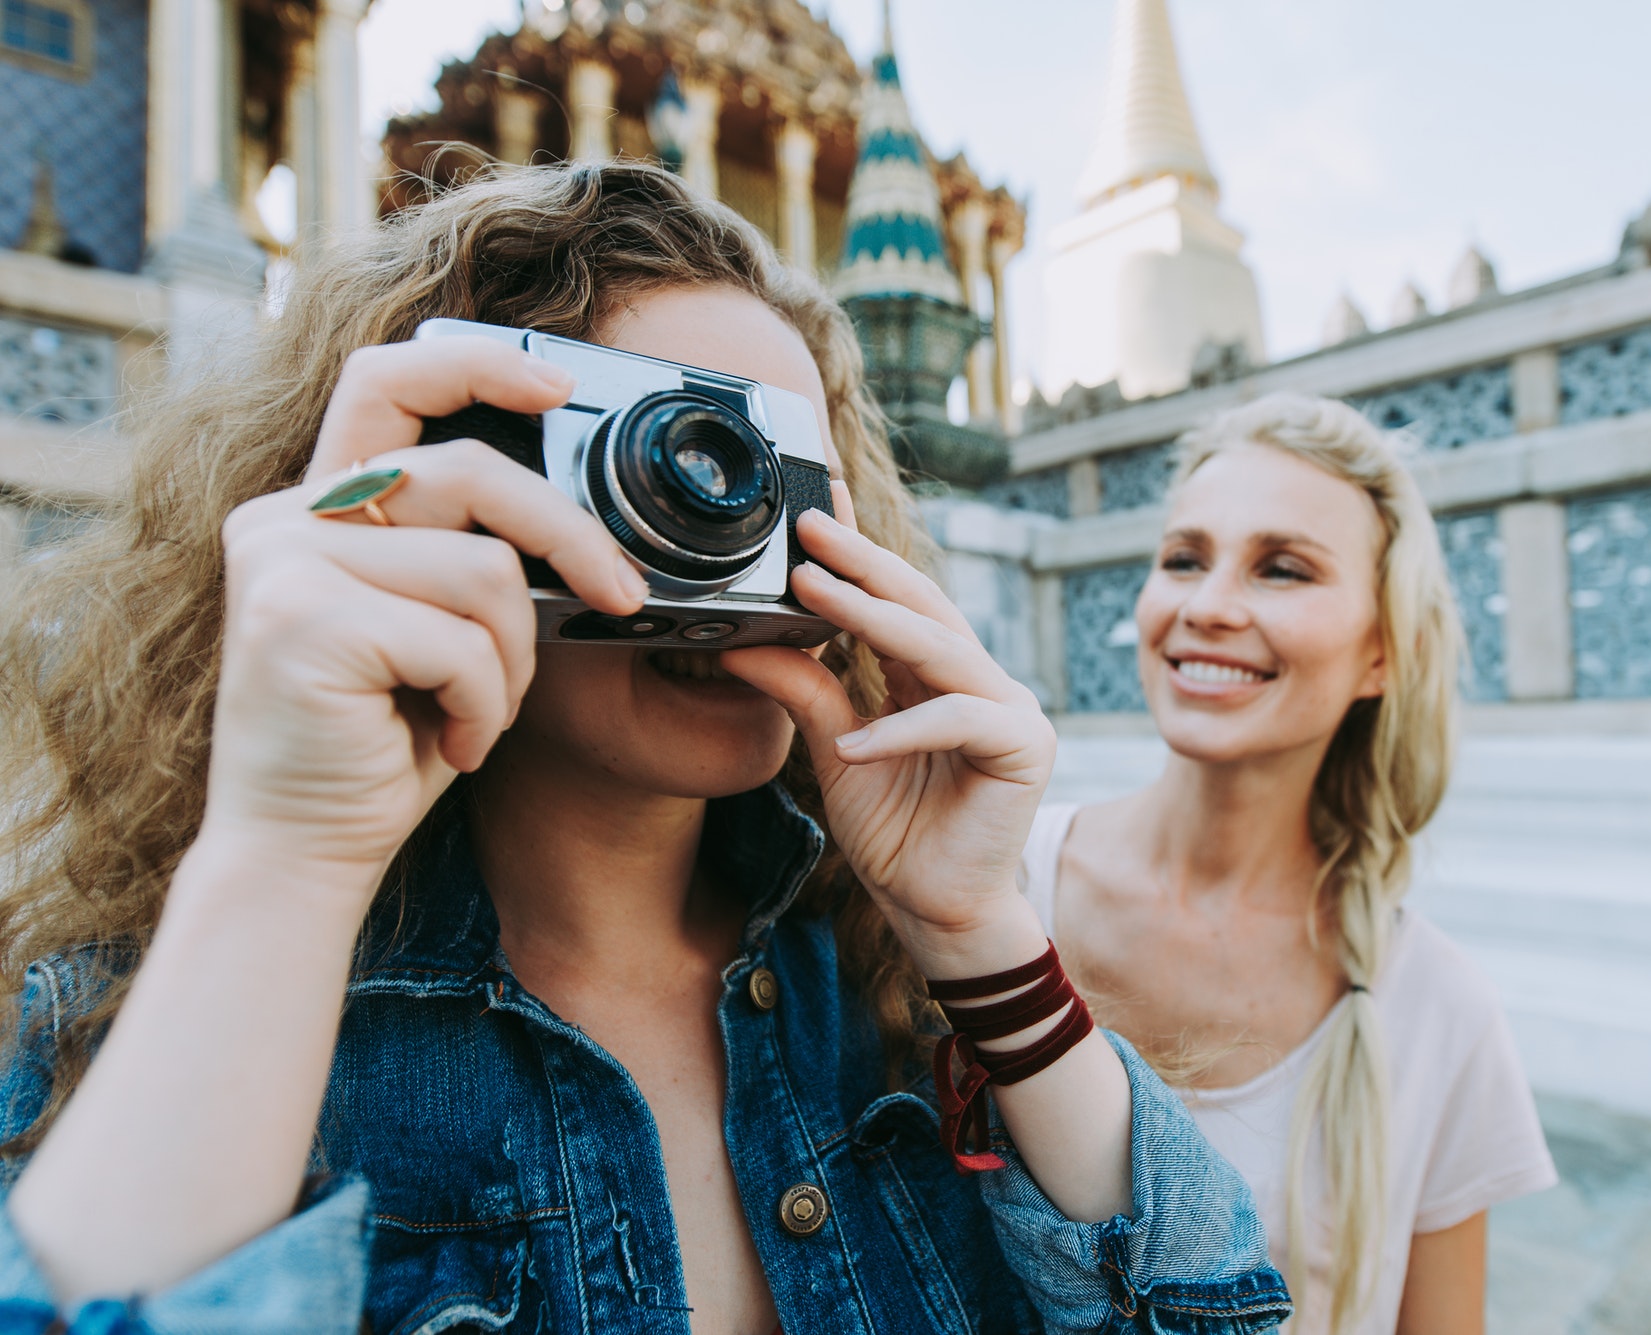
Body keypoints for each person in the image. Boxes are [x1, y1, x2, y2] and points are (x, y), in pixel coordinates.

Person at [0, 162, 1289, 1335]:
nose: (727, 521)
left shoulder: (889, 989)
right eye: (665, 453)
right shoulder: (171, 1002)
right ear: (436, 489)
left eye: (770, 474)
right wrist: (286, 852)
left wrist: (977, 934)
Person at [1017, 395, 1557, 1335]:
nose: (1207, 606)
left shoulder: (1440, 1013)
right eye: (1183, 558)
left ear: (1382, 651)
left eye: (1282, 569)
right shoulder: (996, 884)